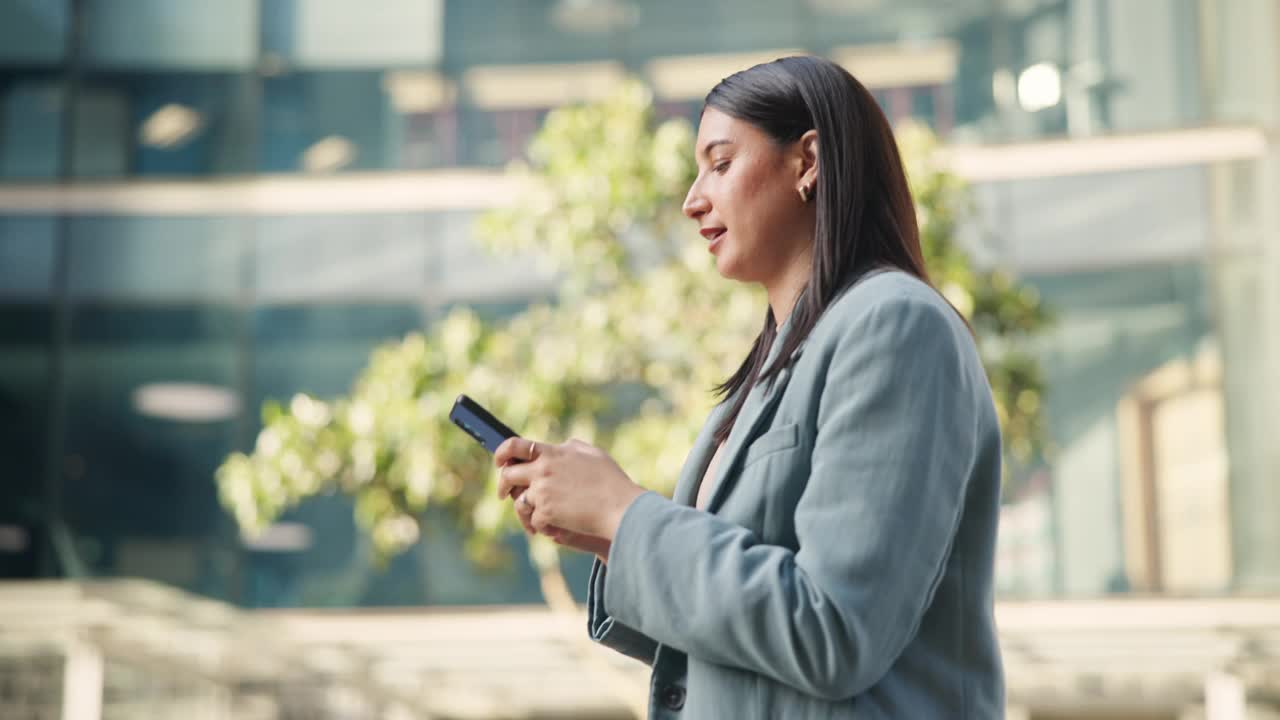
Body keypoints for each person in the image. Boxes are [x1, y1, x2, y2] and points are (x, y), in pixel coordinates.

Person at [494, 55, 1005, 719]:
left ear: (808, 161)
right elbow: (752, 654)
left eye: (720, 162)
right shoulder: (770, 370)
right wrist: (607, 535)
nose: (691, 198)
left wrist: (627, 515)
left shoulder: (895, 325)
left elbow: (834, 632)